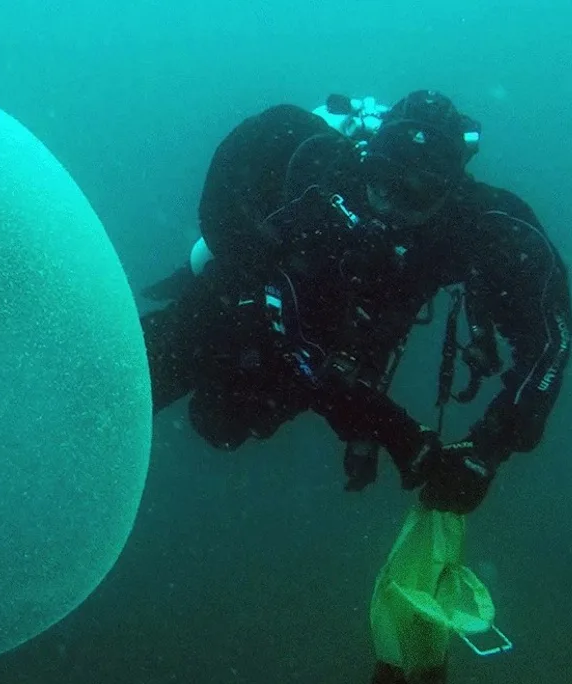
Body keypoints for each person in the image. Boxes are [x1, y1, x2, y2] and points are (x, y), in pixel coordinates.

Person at [141, 89, 571, 514]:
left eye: (415, 193)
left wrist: (490, 446)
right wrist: (392, 431)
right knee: (171, 355)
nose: (387, 206)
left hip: (334, 345)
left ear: (450, 190)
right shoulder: (325, 175)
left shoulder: (477, 225)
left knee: (227, 421)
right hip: (251, 303)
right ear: (367, 161)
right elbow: (284, 320)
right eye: (381, 180)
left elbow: (552, 338)